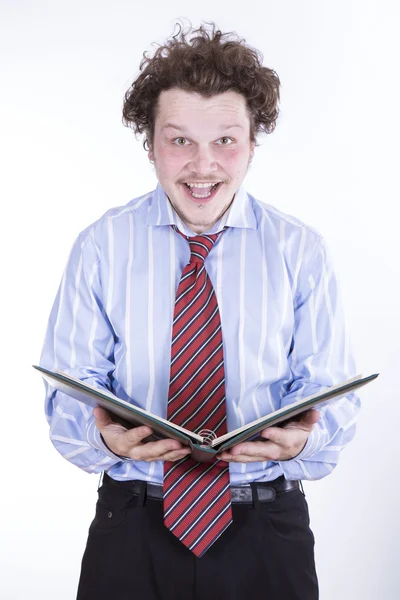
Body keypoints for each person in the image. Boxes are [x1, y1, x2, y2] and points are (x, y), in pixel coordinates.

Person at [40, 22, 360, 600]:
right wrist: (107, 439)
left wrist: (303, 442)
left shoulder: (299, 250)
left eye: (226, 140)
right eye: (179, 140)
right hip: (133, 527)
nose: (203, 164)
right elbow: (68, 395)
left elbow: (332, 395)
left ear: (254, 142)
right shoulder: (102, 245)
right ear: (151, 143)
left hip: (267, 529)